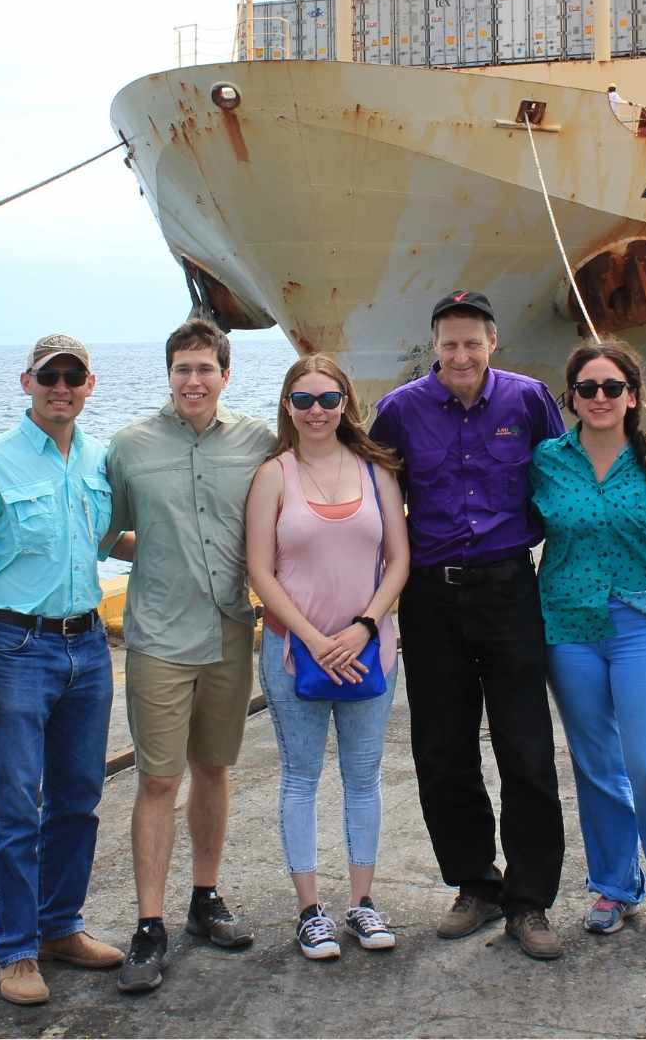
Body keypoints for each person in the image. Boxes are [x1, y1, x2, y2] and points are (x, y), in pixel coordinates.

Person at [368, 291, 568, 961]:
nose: (460, 355)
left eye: (471, 343)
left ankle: (531, 898)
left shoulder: (528, 400)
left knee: (527, 749)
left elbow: (567, 475)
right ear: (434, 347)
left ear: (493, 343)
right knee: (444, 750)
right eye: (448, 344)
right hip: (431, 598)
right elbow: (369, 493)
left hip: (510, 587)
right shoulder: (399, 411)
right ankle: (476, 884)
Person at [0, 334, 124, 1005]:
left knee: (78, 800)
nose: (62, 387)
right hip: (17, 650)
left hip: (88, 648)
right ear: (27, 381)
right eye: (51, 376)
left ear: (90, 385)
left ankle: (59, 927)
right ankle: (16, 951)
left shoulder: (99, 460)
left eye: (74, 377)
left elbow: (104, 537)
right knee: (16, 805)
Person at [103, 320, 276, 993]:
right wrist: (159, 553)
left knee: (215, 768)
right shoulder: (130, 447)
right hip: (159, 638)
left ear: (225, 376)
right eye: (183, 369)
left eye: (205, 369)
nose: (194, 381)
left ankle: (205, 899)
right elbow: (108, 532)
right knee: (156, 780)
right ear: (168, 374)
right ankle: (150, 925)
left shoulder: (258, 442)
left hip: (232, 632)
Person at [529, 339, 646, 940]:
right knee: (596, 763)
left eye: (612, 387)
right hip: (568, 622)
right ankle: (613, 884)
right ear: (572, 398)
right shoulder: (547, 461)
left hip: (644, 618)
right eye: (588, 388)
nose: (600, 397)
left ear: (633, 397)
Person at [245, 354, 410, 960]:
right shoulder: (274, 474)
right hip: (297, 652)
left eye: (328, 399)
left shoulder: (376, 471)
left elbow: (400, 559)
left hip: (371, 649)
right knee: (301, 776)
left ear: (346, 404)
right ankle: (309, 909)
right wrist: (313, 639)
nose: (317, 411)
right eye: (303, 400)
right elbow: (260, 569)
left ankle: (363, 903)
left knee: (363, 778)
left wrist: (365, 627)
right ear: (288, 406)